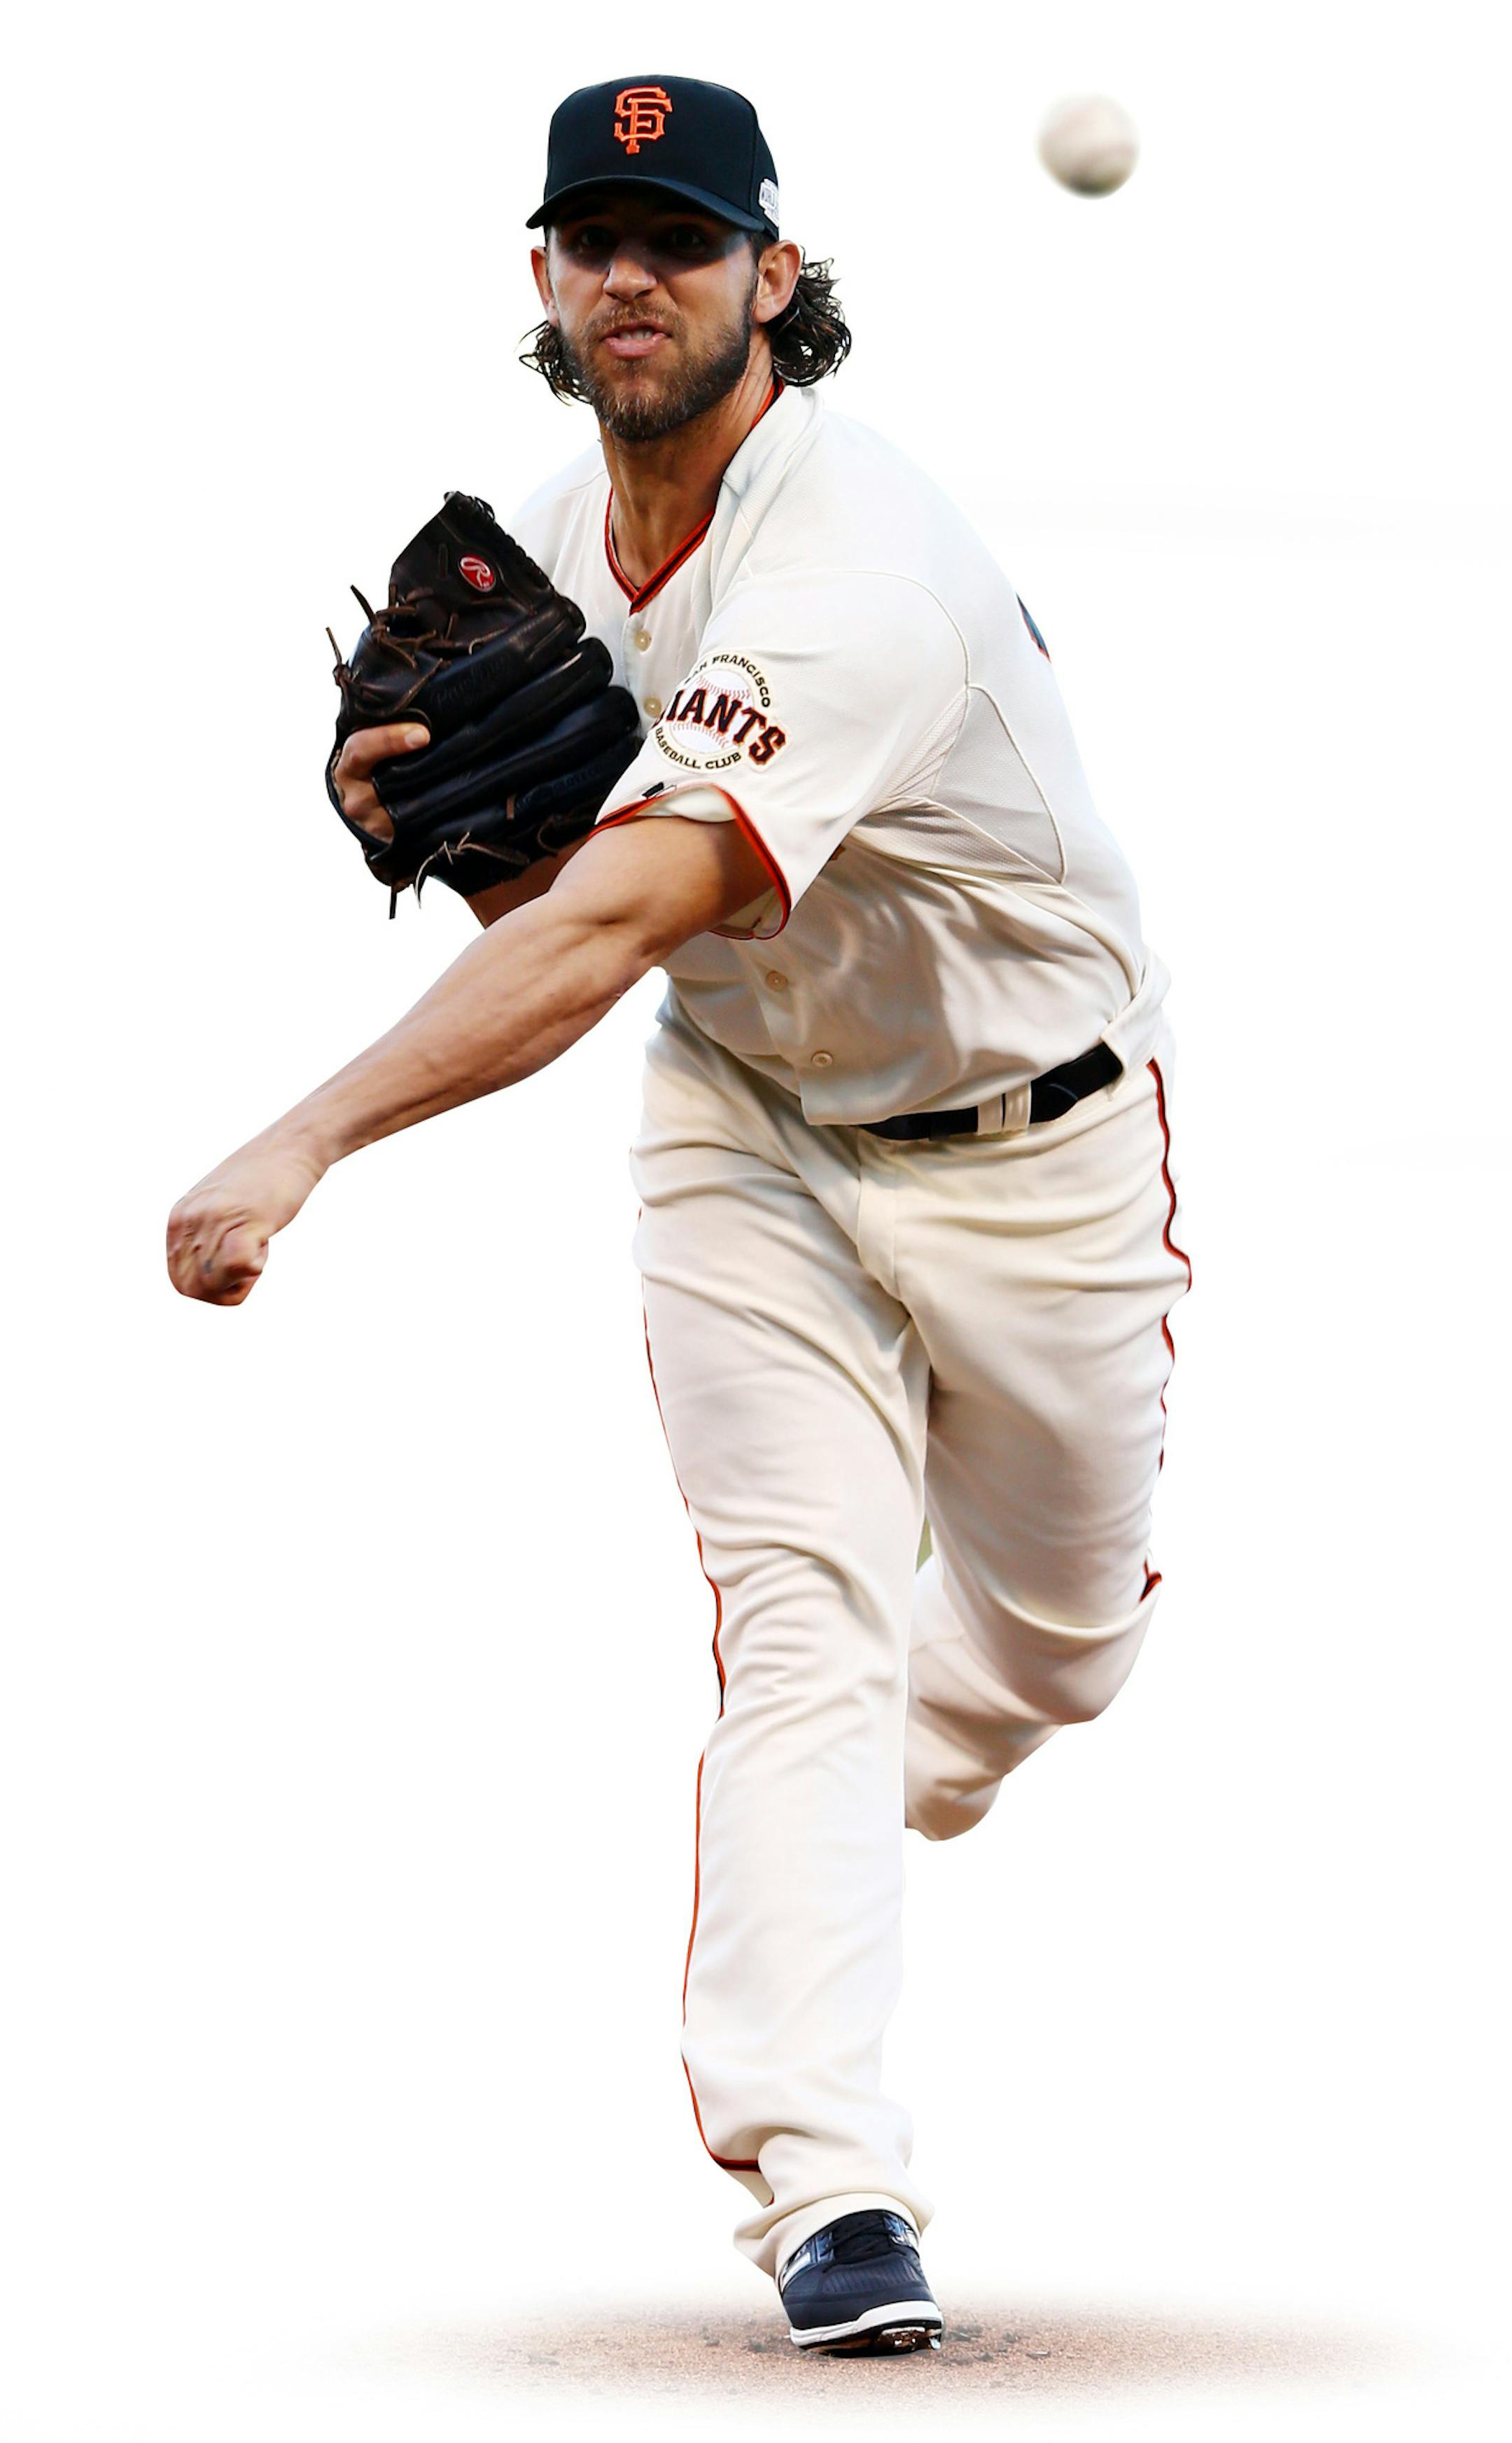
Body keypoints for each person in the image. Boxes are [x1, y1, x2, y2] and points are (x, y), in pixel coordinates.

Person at [167, 74, 1191, 2357]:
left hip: (1037, 1147)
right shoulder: (560, 530)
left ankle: (875, 1784)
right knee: (801, 1626)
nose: (637, 275)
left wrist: (306, 1133)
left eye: (685, 238)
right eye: (595, 236)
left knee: (1062, 1655)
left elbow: (610, 916)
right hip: (751, 1134)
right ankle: (830, 2184)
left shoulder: (861, 569)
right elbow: (574, 885)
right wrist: (417, 805)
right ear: (542, 279)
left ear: (775, 281)